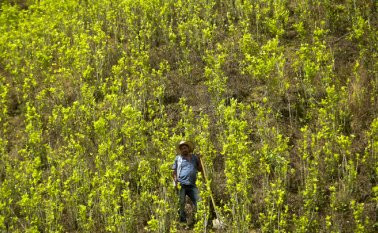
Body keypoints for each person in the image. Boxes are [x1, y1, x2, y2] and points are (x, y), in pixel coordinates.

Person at [172, 140, 203, 224]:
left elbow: (200, 169)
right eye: (182, 149)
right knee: (181, 203)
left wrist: (200, 159)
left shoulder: (194, 158)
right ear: (180, 150)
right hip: (181, 184)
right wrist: (175, 182)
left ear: (188, 148)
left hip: (192, 184)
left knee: (199, 201)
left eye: (185, 148)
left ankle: (201, 220)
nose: (184, 150)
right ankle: (182, 221)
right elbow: (174, 171)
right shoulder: (178, 158)